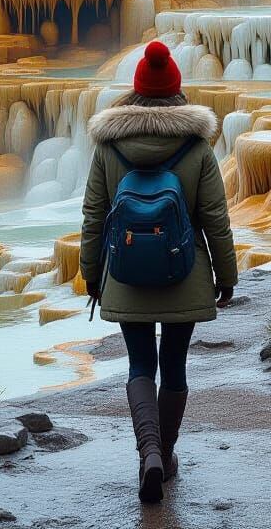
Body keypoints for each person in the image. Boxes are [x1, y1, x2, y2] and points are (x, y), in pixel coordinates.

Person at [80, 39, 238, 504]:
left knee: (139, 365)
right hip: (183, 272)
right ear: (176, 90)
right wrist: (226, 275)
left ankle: (147, 452)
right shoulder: (196, 146)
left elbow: (94, 216)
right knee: (174, 365)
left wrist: (92, 274)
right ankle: (165, 454)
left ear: (135, 91)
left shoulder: (108, 146)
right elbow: (215, 218)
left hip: (125, 273)